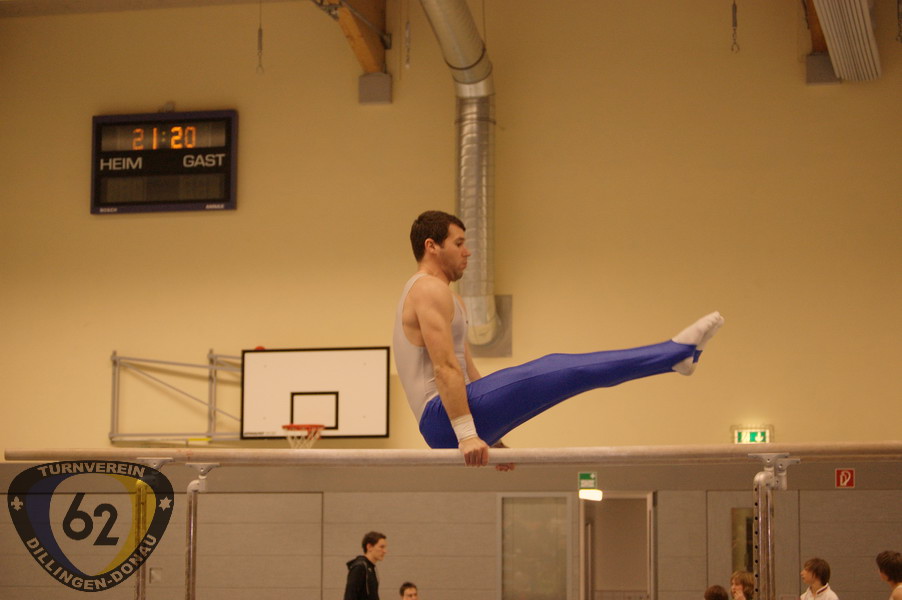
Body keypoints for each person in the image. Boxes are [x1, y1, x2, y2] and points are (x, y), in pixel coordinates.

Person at [393, 210, 725, 466]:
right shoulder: (427, 289)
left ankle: (673, 360)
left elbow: (468, 374)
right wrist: (467, 435)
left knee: (568, 376)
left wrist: (493, 441)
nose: (467, 252)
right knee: (562, 368)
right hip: (441, 419)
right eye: (459, 243)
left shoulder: (450, 298)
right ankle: (672, 353)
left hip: (456, 413)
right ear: (431, 246)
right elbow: (445, 368)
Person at [344, 531, 387, 600]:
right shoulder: (359, 567)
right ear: (369, 547)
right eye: (381, 547)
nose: (385, 551)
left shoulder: (371, 567)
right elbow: (350, 596)